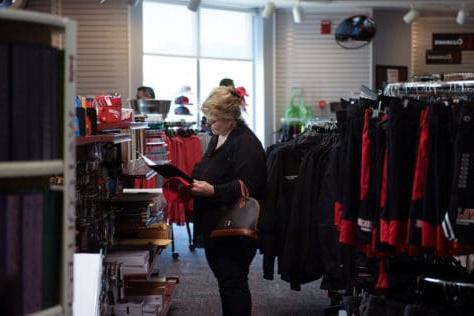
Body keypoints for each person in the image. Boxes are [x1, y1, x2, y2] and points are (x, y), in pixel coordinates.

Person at [190, 86, 266, 316]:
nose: (209, 124)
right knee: (226, 281)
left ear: (230, 117)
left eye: (214, 120)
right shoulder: (220, 136)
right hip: (216, 223)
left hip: (234, 228)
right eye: (208, 119)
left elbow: (250, 185)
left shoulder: (246, 143)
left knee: (233, 282)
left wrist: (213, 190)